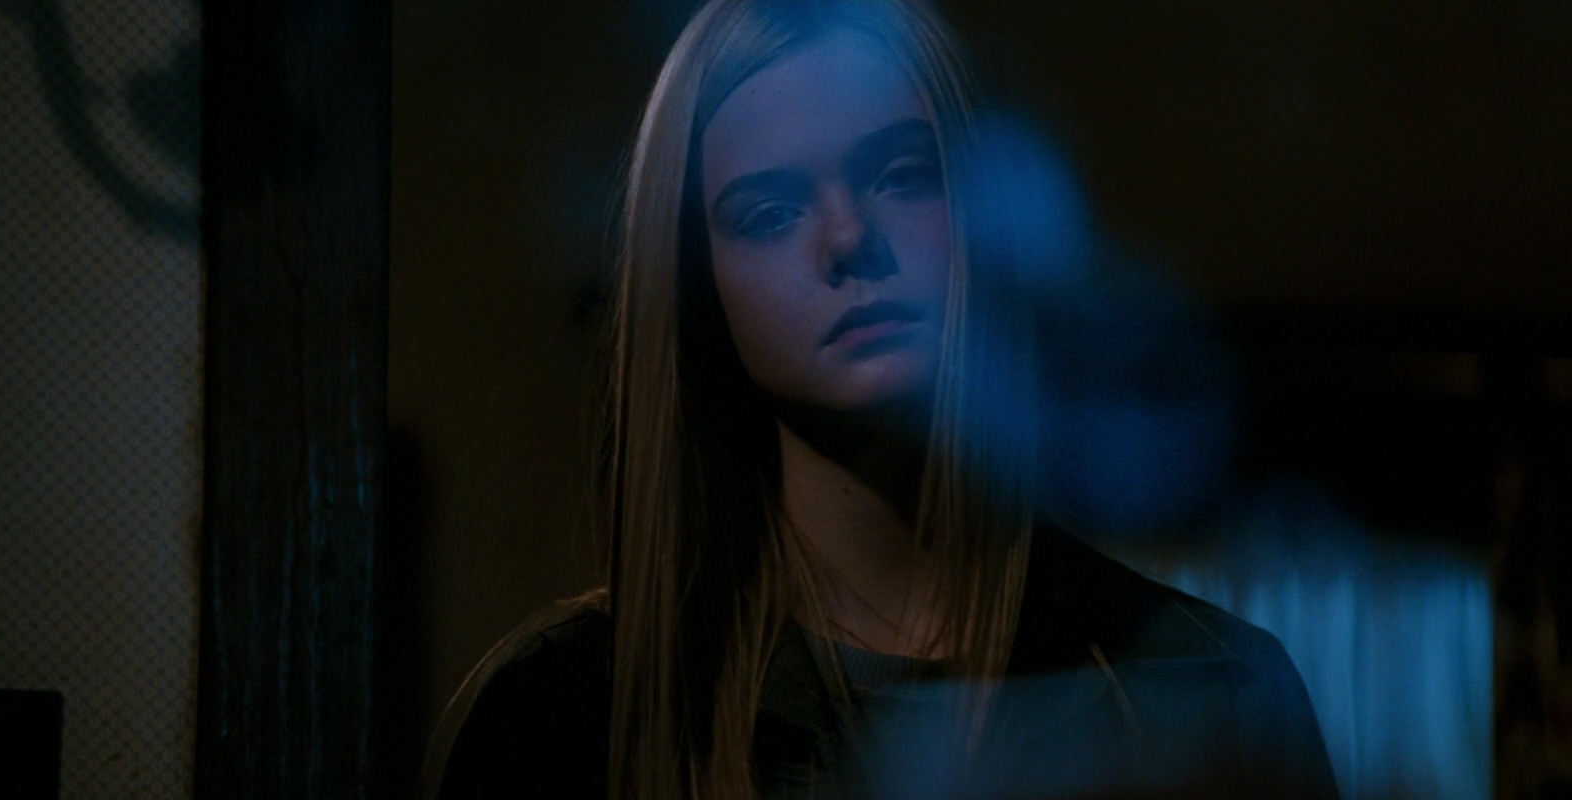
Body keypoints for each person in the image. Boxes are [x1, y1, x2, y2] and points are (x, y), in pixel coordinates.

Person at [428, 1, 1338, 798]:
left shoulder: (1207, 690)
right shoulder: (561, 717)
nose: (848, 237)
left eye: (901, 174)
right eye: (769, 212)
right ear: (700, 291)